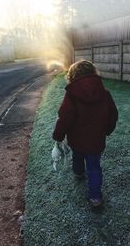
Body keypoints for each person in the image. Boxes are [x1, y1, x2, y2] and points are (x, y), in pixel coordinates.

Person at [52, 60, 118, 207]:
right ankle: (95, 198)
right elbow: (113, 114)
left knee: (77, 156)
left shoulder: (71, 95)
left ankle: (78, 173)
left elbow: (65, 117)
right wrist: (107, 130)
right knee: (94, 167)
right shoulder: (104, 94)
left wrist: (58, 136)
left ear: (72, 75)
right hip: (96, 140)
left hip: (77, 139)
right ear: (93, 73)